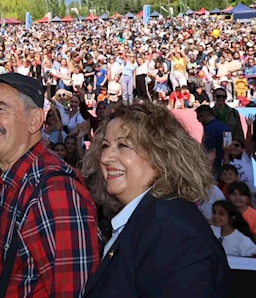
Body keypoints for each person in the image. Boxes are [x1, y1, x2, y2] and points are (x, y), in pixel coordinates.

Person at [80, 102, 231, 298]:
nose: (106, 157)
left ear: (161, 154)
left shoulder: (167, 229)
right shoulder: (153, 219)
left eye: (123, 145)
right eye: (105, 146)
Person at [0, 72, 100, 298]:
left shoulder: (55, 192)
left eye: (0, 109)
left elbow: (74, 291)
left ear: (35, 121)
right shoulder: (13, 179)